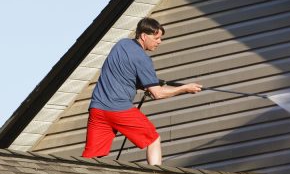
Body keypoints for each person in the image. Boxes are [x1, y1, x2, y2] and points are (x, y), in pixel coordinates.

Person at [81, 17, 202, 165]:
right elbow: (157, 93)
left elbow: (124, 75)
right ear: (144, 36)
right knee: (153, 139)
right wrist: (184, 88)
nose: (159, 42)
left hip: (97, 109)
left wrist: (146, 84)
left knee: (92, 155)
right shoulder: (143, 59)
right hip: (119, 109)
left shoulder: (121, 45)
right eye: (156, 38)